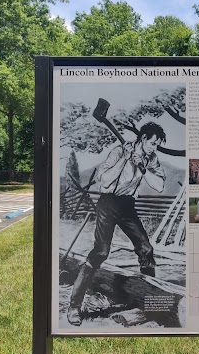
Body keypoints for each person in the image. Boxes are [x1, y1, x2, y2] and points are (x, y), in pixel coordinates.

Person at [67, 122, 167, 326]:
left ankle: (149, 302)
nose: (154, 148)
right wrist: (125, 160)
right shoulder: (119, 151)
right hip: (108, 203)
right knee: (101, 252)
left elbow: (159, 186)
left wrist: (141, 165)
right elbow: (104, 181)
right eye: (152, 143)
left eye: (157, 145)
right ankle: (74, 305)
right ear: (142, 139)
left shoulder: (151, 159)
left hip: (127, 205)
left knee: (146, 249)